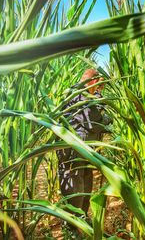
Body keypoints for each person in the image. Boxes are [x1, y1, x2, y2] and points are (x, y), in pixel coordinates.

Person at [57, 69, 111, 216]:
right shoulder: (79, 93)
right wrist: (106, 120)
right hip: (73, 149)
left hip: (86, 149)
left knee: (86, 181)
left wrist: (103, 118)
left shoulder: (90, 94)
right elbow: (93, 122)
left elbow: (101, 116)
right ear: (94, 81)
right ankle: (72, 224)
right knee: (74, 185)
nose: (100, 89)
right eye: (100, 85)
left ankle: (81, 216)